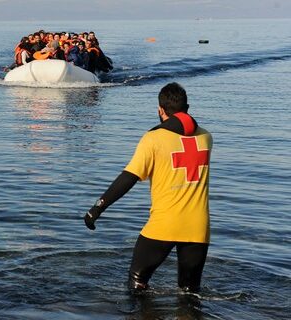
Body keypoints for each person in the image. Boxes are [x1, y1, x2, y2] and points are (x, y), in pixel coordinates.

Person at [84, 83, 213, 293]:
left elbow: (128, 178)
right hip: (199, 228)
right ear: (187, 108)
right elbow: (186, 129)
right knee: (190, 293)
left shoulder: (153, 139)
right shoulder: (206, 138)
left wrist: (97, 208)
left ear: (160, 110)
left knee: (137, 282)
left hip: (164, 225)